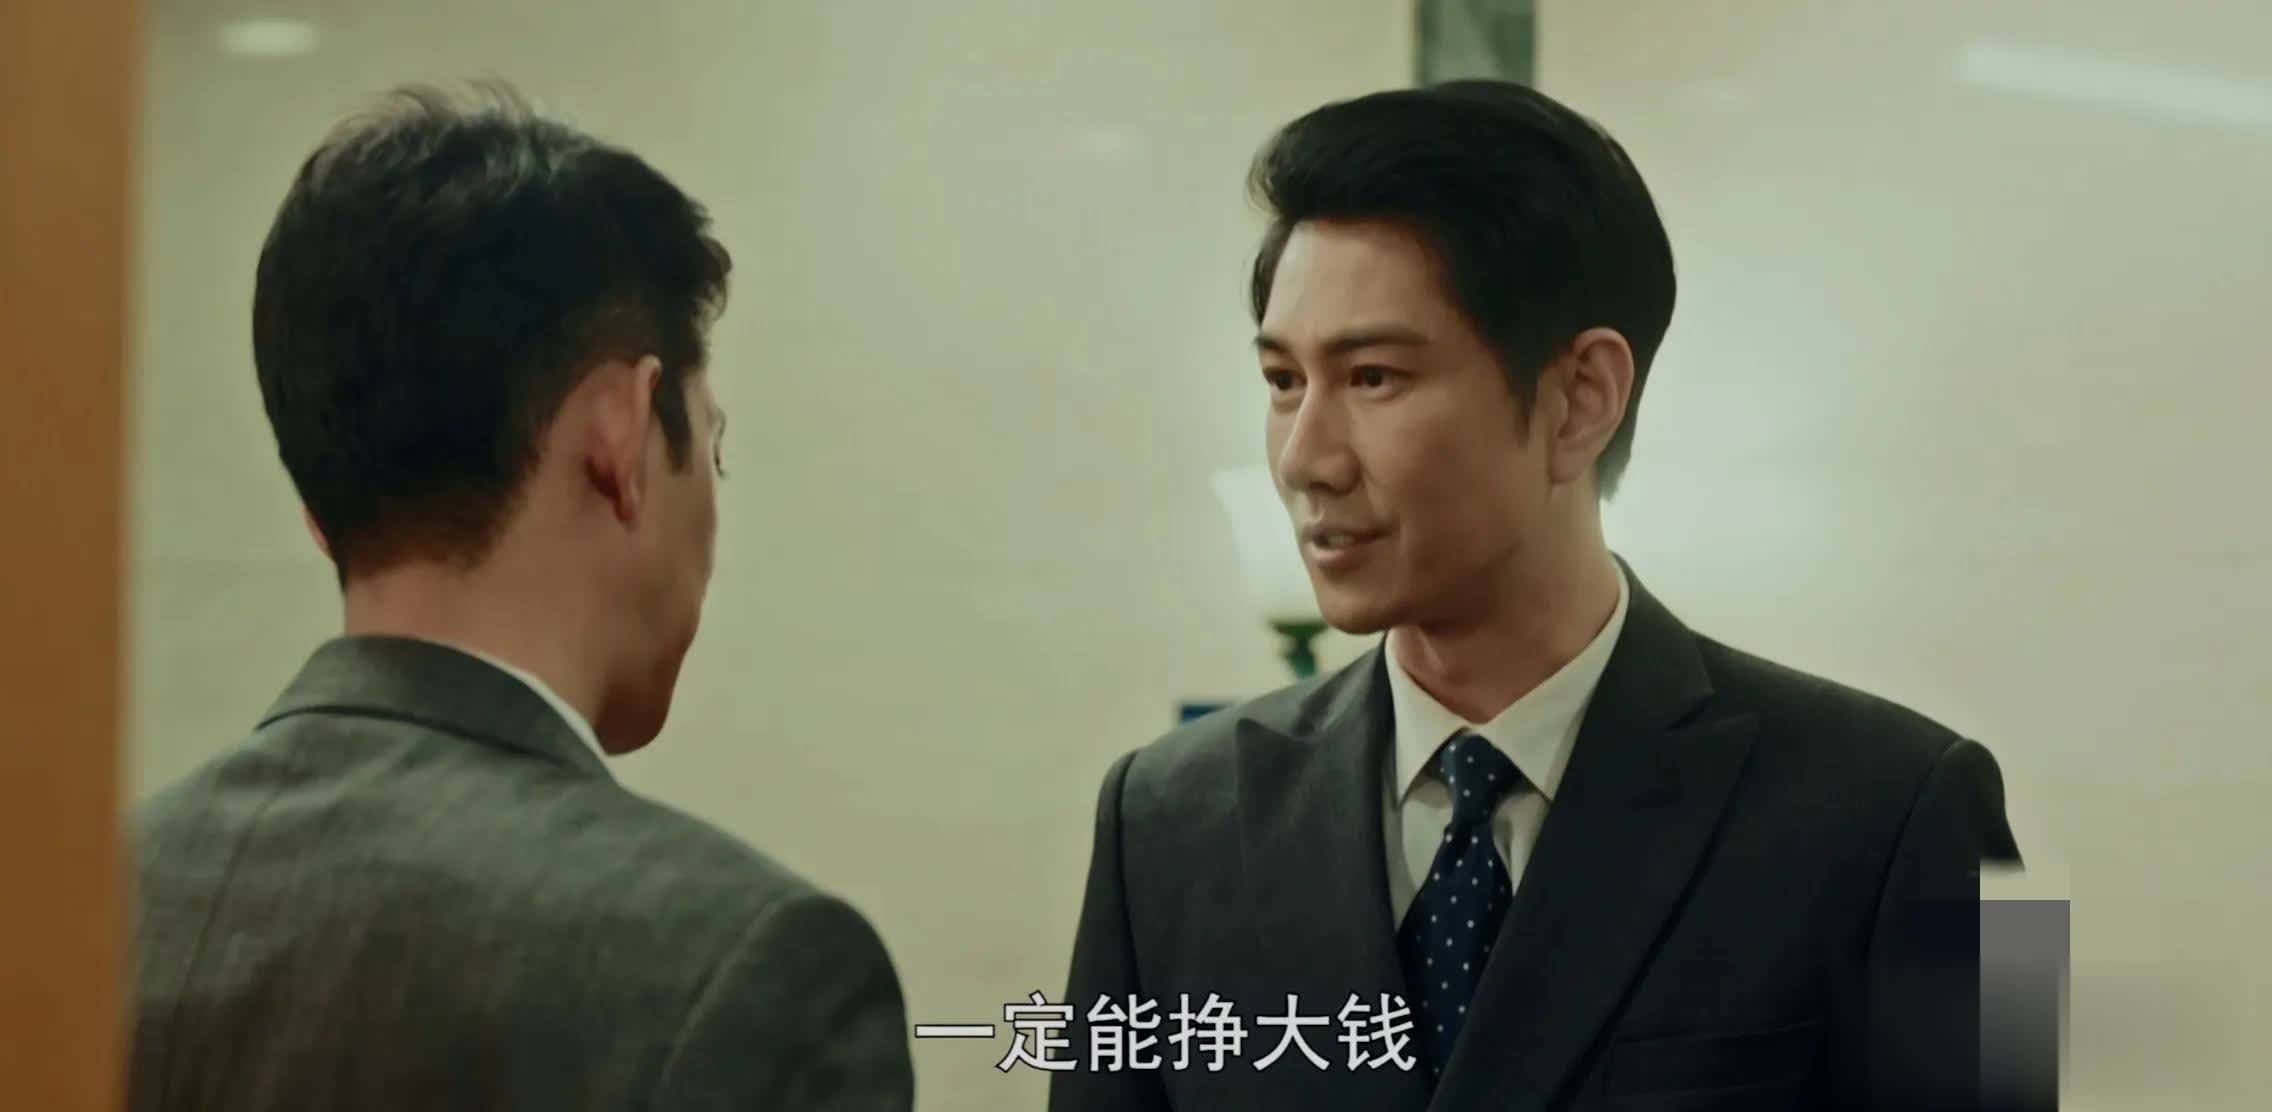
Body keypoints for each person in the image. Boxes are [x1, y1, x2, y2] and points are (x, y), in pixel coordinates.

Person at [1053, 81, 2019, 1111]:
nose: (1304, 458)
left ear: (1581, 399)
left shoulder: (1919, 801)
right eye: (1283, 381)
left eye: (1372, 376)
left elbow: (2012, 1082)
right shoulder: (1161, 814)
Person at [128, 85, 913, 1111]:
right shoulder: (751, 970)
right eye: (712, 448)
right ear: (621, 433)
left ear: (320, 508)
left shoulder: (72, 905)